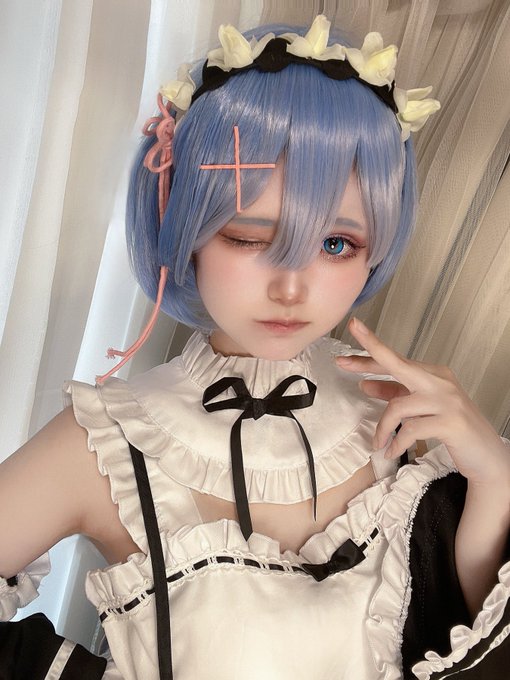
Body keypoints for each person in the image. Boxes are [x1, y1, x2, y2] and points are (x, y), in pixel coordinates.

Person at [1, 14, 509, 680]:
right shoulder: (105, 442)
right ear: (184, 228)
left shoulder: (400, 413)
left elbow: (455, 632)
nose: (292, 287)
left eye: (337, 244)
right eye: (248, 236)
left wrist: (493, 479)